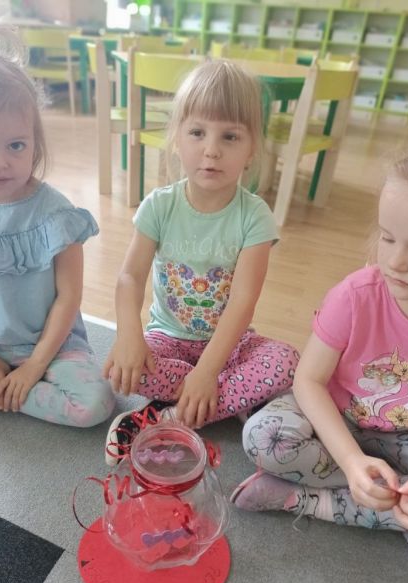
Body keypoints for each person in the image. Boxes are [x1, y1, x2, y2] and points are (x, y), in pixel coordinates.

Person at [103, 59, 299, 465]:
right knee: (124, 366)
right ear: (177, 139)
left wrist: (208, 372)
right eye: (197, 132)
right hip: (167, 339)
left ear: (251, 150)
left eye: (230, 136)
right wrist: (128, 335)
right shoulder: (159, 205)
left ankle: (168, 417)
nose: (211, 149)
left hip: (230, 344)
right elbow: (129, 278)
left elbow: (243, 302)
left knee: (287, 362)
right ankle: (230, 397)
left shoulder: (255, 216)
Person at [232, 149, 408, 551]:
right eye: (387, 238)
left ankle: (306, 500)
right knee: (264, 437)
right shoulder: (354, 297)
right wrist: (350, 462)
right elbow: (309, 380)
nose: (396, 262)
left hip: (403, 437)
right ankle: (381, 496)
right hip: (332, 417)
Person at [0, 11, 114, 426]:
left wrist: (32, 368)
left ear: (36, 142)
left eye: (15, 145)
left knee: (95, 404)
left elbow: (69, 298)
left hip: (52, 346)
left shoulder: (57, 215)